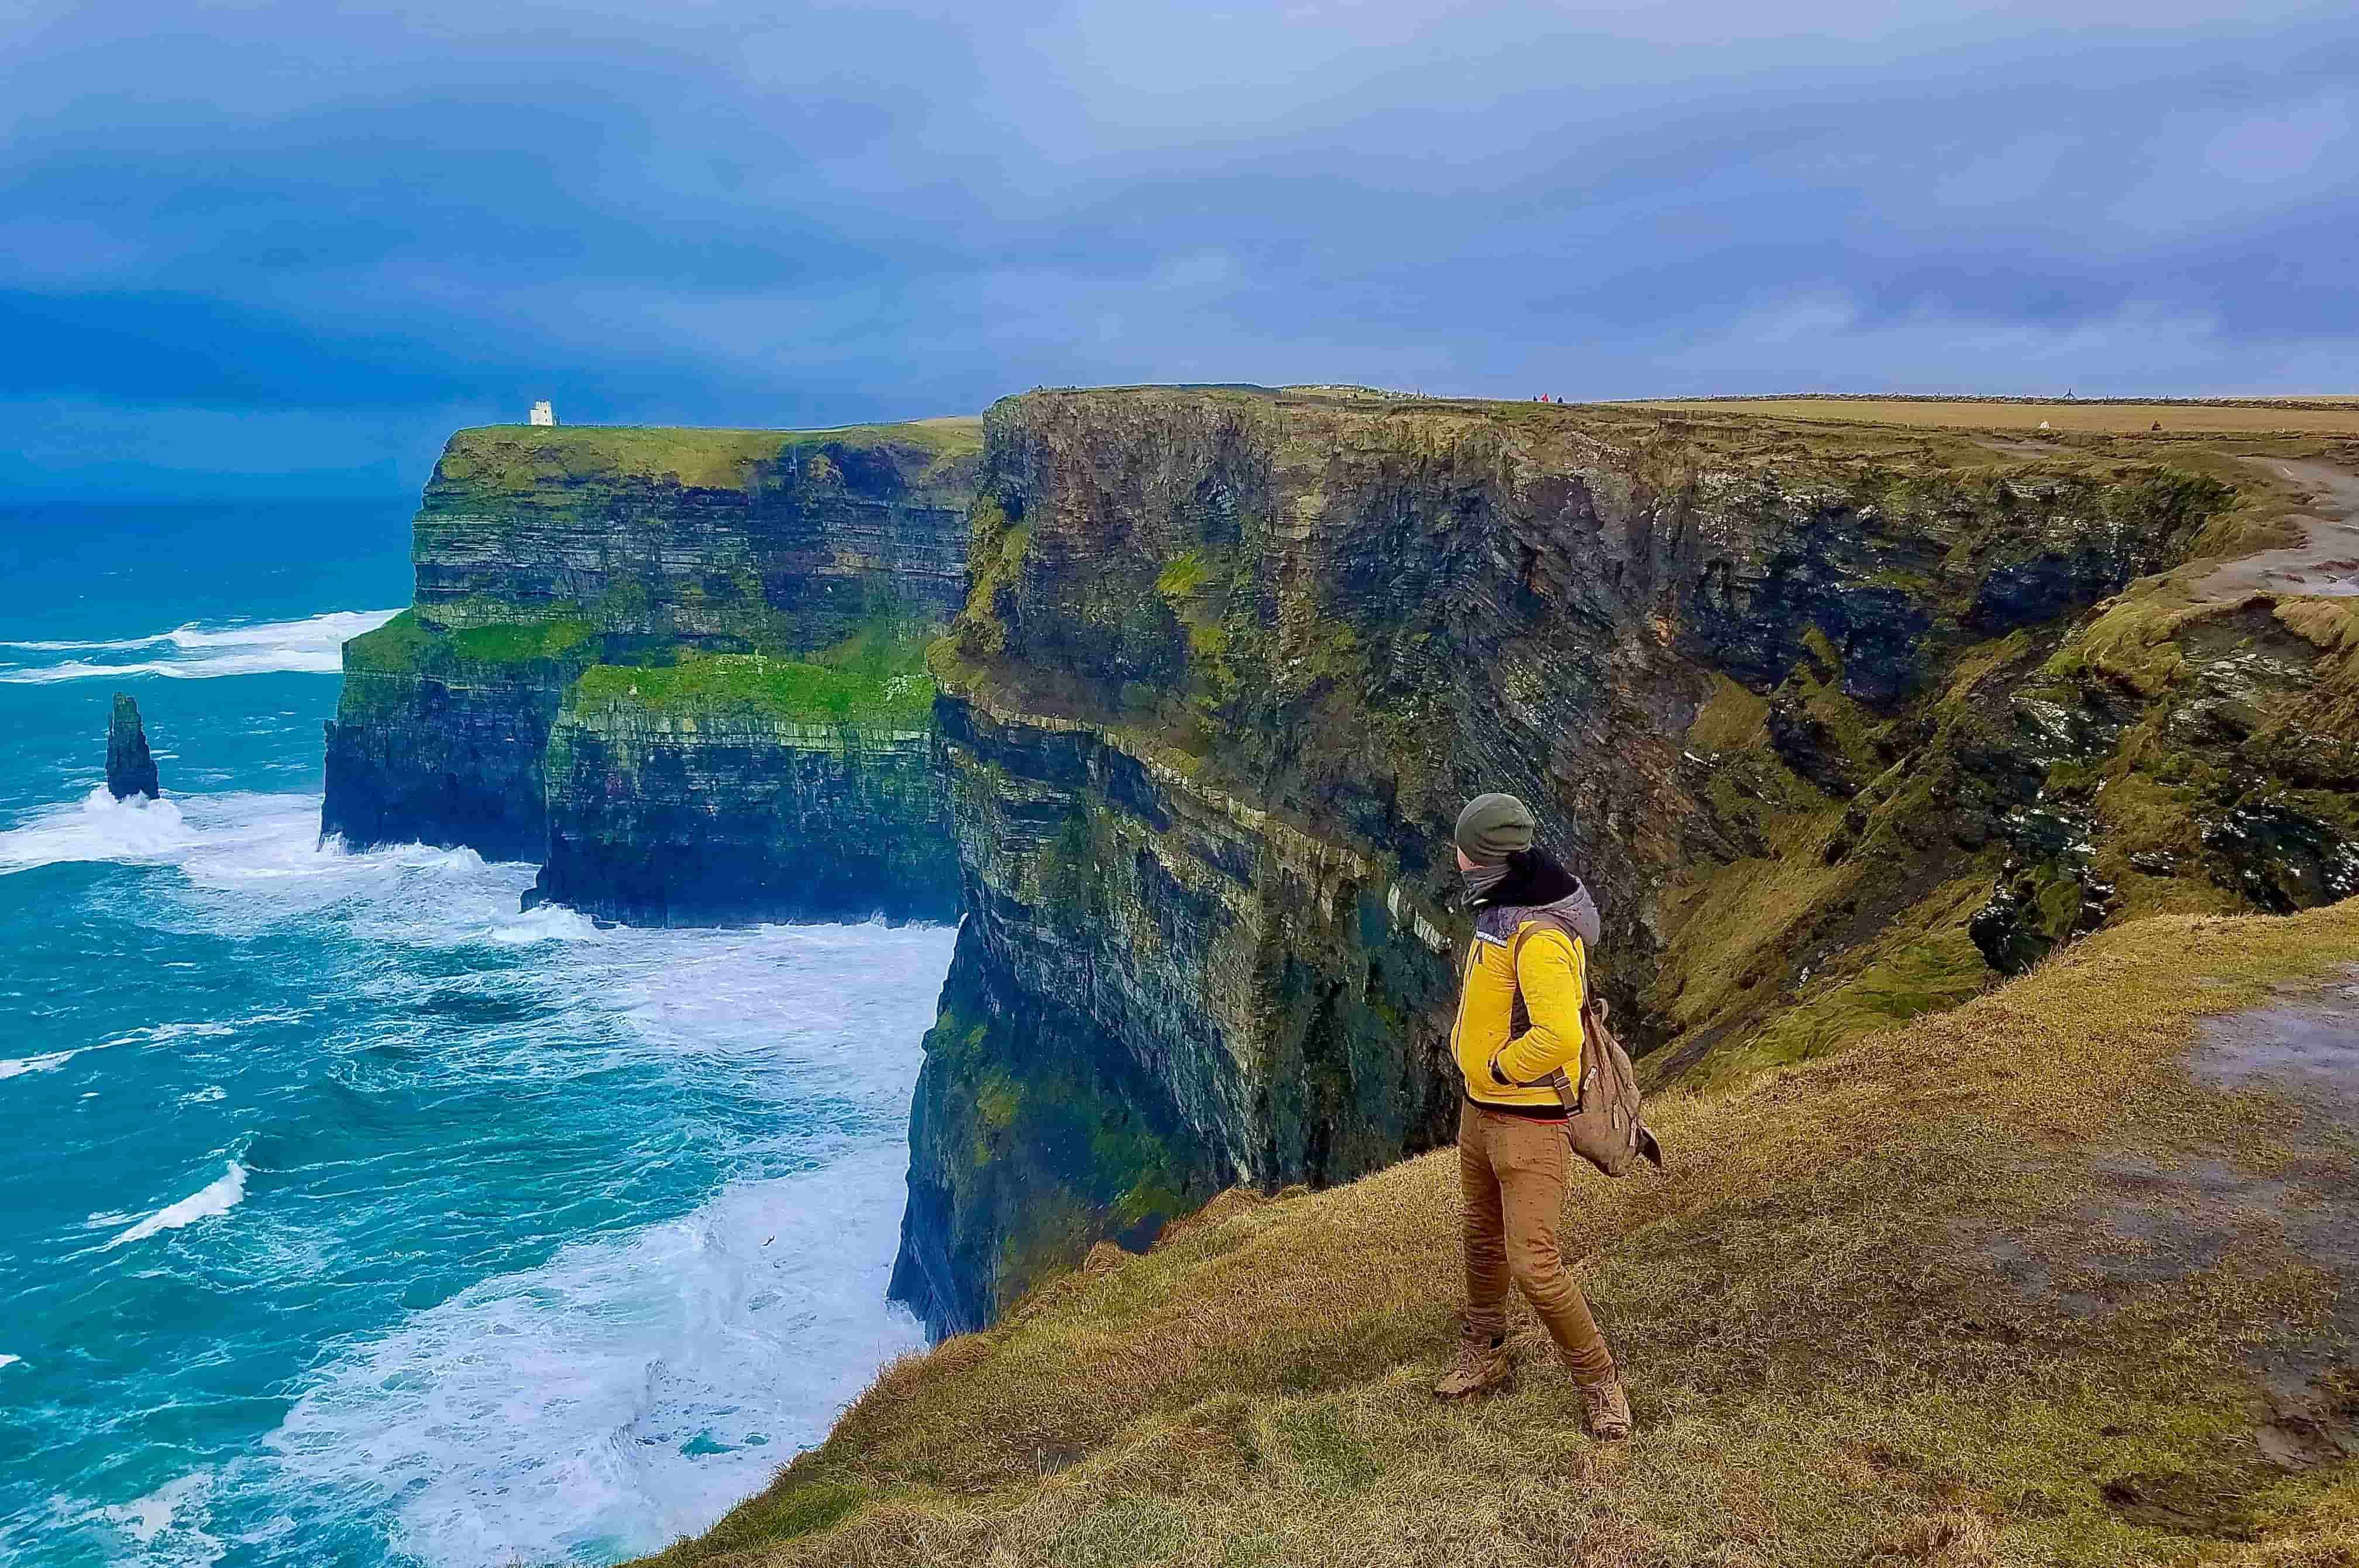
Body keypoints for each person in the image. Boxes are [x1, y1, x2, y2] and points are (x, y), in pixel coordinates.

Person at [1431, 792, 1631, 1440]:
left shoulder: (1540, 934)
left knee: (1535, 1263)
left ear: (1486, 855)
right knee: (1481, 1235)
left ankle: (1600, 1381)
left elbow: (1559, 1037)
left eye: (1463, 845)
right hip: (1481, 1115)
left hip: (1530, 1122)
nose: (1455, 855)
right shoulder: (1502, 908)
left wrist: (1495, 1069)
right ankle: (1483, 1347)